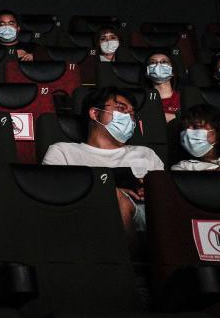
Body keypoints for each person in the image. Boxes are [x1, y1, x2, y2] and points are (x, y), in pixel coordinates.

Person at [42, 87, 164, 239]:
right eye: (121, 109)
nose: (129, 117)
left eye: (132, 115)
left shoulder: (146, 153)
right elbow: (54, 195)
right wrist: (112, 192)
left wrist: (152, 191)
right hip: (84, 217)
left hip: (143, 216)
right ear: (94, 113)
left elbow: (166, 198)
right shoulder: (62, 152)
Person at [142, 49, 180, 122]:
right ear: (147, 72)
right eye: (153, 62)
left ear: (172, 71)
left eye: (164, 62)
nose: (158, 65)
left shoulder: (184, 98)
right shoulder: (142, 100)